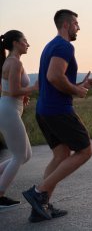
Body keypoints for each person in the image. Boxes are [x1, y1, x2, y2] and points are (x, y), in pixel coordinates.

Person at [22, 9, 92, 222]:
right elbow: (54, 76)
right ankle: (39, 193)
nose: (78, 28)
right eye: (76, 24)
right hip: (58, 110)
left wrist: (80, 85)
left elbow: (55, 79)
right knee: (85, 150)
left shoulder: (50, 46)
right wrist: (77, 91)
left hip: (44, 110)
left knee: (61, 155)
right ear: (66, 25)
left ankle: (40, 207)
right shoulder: (64, 46)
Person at [0, 30, 38, 207]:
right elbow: (14, 90)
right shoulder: (14, 63)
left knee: (25, 155)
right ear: (16, 43)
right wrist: (34, 87)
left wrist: (23, 96)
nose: (28, 44)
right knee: (19, 155)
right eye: (25, 40)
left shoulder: (11, 62)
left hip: (9, 108)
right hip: (8, 110)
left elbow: (10, 90)